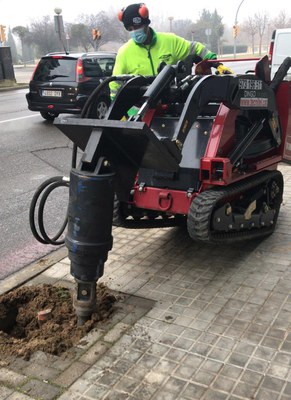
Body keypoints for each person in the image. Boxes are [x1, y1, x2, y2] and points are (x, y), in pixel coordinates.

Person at [110, 3, 233, 100]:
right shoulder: (124, 52)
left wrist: (216, 63)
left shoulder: (170, 41)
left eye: (137, 27)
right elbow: (115, 85)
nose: (134, 32)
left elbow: (196, 48)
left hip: (168, 108)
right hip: (137, 113)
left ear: (146, 23)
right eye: (130, 29)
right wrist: (120, 116)